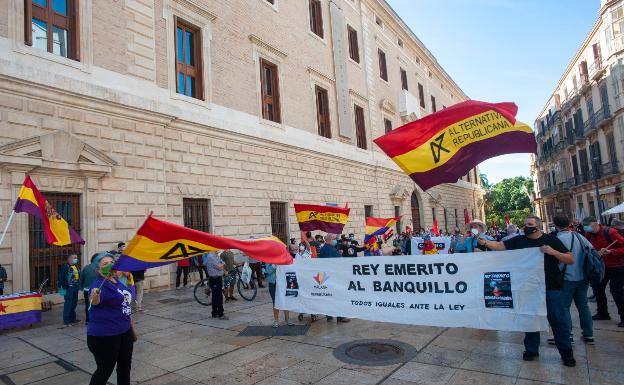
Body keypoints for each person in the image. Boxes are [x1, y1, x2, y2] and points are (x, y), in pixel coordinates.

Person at [477, 216, 576, 366]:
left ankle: (566, 353)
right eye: (525, 224)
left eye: (530, 224)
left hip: (551, 287)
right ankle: (531, 349)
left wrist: (552, 252)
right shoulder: (519, 240)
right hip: (529, 288)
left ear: (538, 226)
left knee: (557, 320)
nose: (526, 226)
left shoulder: (551, 240)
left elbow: (570, 259)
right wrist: (485, 242)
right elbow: (499, 246)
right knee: (530, 318)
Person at [87, 254, 135, 385]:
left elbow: (127, 298)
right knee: (104, 371)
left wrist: (130, 280)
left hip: (125, 331)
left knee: (125, 368)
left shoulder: (117, 280)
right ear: (98, 269)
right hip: (105, 336)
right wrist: (94, 296)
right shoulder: (98, 285)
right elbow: (94, 301)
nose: (109, 265)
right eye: (105, 264)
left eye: (111, 262)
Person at [552, 215, 594, 345]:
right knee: (583, 306)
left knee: (564, 307)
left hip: (566, 278)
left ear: (555, 226)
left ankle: (567, 334)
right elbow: (592, 251)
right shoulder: (579, 237)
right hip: (583, 277)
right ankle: (588, 335)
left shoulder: (558, 239)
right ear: (568, 224)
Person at [582, 216, 624, 327]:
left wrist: (611, 251)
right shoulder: (588, 235)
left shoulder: (610, 232)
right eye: (585, 226)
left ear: (595, 224)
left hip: (617, 265)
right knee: (597, 288)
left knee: (616, 291)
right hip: (601, 266)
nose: (586, 228)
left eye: (588, 226)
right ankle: (603, 313)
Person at [318, 234, 350, 323]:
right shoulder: (331, 249)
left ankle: (329, 315)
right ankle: (340, 317)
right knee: (338, 297)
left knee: (329, 296)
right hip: (334, 277)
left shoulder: (323, 249)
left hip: (326, 276)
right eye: (333, 239)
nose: (334, 240)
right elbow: (338, 261)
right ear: (329, 240)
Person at [265, 263, 293, 328]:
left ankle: (287, 319)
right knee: (275, 301)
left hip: (283, 282)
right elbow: (268, 271)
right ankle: (276, 320)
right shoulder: (268, 259)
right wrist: (273, 265)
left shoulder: (281, 257)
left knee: (285, 300)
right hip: (273, 284)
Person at [80, 254, 103, 325]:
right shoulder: (100, 268)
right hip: (97, 290)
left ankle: (88, 320)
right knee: (98, 304)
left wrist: (81, 287)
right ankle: (96, 319)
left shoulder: (86, 268)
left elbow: (81, 279)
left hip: (86, 290)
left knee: (88, 305)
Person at [59, 253, 81, 327]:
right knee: (68, 304)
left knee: (74, 304)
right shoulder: (65, 267)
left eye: (76, 258)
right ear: (69, 259)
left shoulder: (75, 266)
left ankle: (73, 319)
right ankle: (66, 320)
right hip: (69, 288)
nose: (76, 259)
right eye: (74, 258)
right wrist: (66, 286)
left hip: (75, 287)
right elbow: (62, 278)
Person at [205, 252, 228, 319]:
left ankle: (214, 313)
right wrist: (222, 264)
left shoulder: (216, 256)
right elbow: (219, 267)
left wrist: (222, 264)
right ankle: (221, 314)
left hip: (217, 278)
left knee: (215, 296)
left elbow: (222, 263)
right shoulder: (211, 256)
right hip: (215, 278)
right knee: (218, 296)